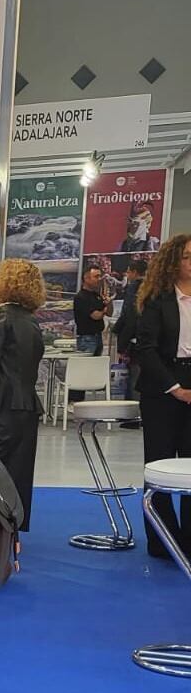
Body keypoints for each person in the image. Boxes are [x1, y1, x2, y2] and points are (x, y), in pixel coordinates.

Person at [134, 233, 191, 560]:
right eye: (186, 256)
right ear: (173, 262)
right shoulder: (157, 300)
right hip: (162, 387)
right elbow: (147, 349)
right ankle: (162, 541)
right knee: (159, 463)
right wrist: (175, 388)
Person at [0, 259, 45, 531]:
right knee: (18, 472)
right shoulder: (31, 321)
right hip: (28, 405)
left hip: (3, 405)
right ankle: (12, 527)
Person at [114, 258, 149, 400]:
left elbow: (129, 316)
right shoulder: (153, 288)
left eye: (128, 271)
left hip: (134, 341)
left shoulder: (133, 288)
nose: (127, 274)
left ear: (135, 272)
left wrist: (121, 344)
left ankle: (132, 417)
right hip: (147, 339)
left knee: (133, 378)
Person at [73, 264, 111, 356]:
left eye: (100, 276)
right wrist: (104, 311)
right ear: (86, 278)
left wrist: (109, 303)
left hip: (98, 336)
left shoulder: (96, 295)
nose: (99, 279)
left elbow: (110, 313)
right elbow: (95, 316)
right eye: (96, 276)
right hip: (87, 339)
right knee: (87, 366)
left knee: (96, 366)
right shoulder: (81, 297)